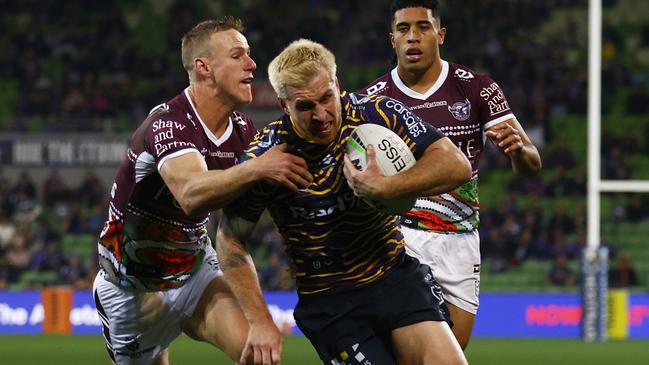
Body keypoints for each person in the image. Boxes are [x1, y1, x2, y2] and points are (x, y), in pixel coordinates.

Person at [217, 38, 471, 365]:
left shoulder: (376, 113)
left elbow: (456, 165)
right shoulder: (267, 157)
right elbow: (229, 239)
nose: (321, 115)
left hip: (395, 278)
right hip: (332, 303)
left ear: (337, 85)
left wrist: (389, 187)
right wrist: (260, 320)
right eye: (306, 106)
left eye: (326, 98)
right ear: (283, 105)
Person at [92, 17, 313, 365]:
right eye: (238, 55)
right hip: (131, 292)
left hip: (195, 272)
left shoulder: (243, 130)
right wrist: (257, 167)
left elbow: (235, 228)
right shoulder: (168, 123)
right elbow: (192, 195)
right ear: (203, 67)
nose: (252, 64)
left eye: (250, 55)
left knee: (259, 357)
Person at [358, 0, 542, 349]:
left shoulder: (476, 88)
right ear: (392, 39)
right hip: (398, 237)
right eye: (403, 29)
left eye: (423, 28)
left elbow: (531, 166)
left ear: (439, 34)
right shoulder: (371, 101)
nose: (413, 37)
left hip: (459, 240)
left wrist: (519, 150)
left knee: (451, 354)